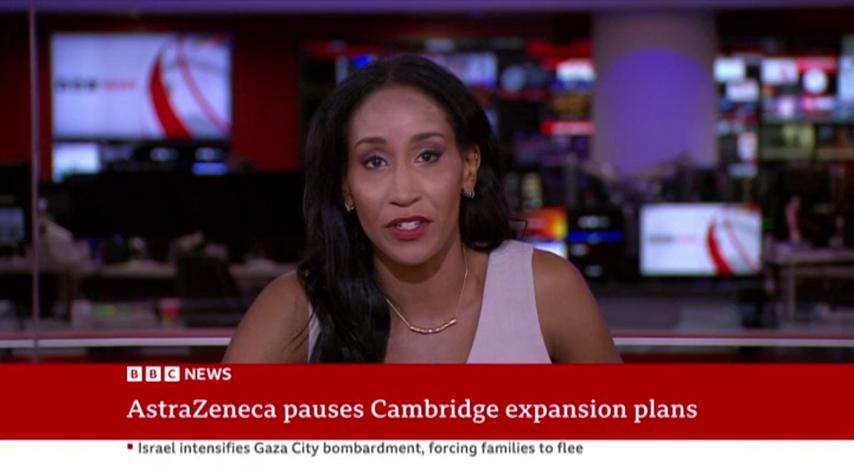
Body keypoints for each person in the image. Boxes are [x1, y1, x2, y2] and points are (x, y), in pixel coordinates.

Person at [224, 55, 620, 363]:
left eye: (428, 156)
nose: (403, 191)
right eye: (374, 162)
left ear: (469, 167)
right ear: (346, 185)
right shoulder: (296, 307)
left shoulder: (547, 291)